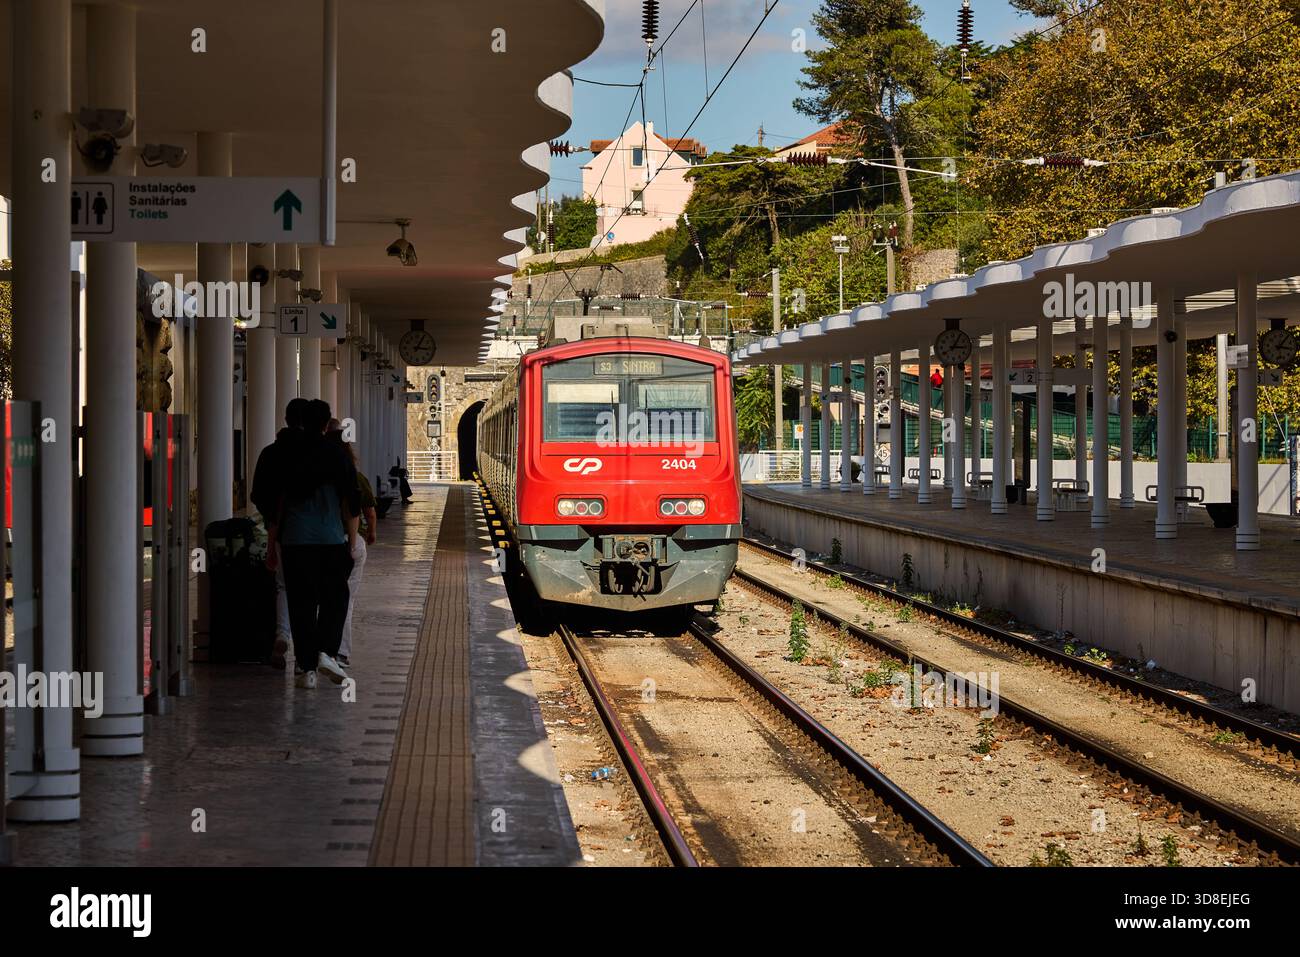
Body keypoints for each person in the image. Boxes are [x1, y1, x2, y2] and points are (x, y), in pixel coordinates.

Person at [275, 399, 359, 689]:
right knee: (336, 597)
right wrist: (351, 539)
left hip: (295, 541)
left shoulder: (287, 454)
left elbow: (276, 500)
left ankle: (307, 669)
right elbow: (351, 502)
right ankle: (326, 652)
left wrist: (274, 539)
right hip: (330, 539)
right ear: (326, 424)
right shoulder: (336, 454)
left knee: (301, 603)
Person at [250, 397, 311, 669]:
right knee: (311, 591)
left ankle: (282, 634)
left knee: (284, 585)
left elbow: (257, 494)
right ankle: (305, 654)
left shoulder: (270, 453)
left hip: (281, 531)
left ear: (285, 420)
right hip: (318, 535)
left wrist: (271, 520)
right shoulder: (317, 452)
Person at [329, 420, 377, 666]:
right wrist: (362, 538)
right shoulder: (354, 476)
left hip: (318, 543)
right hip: (349, 542)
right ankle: (340, 652)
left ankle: (312, 656)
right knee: (345, 600)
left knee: (315, 601)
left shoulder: (312, 474)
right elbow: (362, 513)